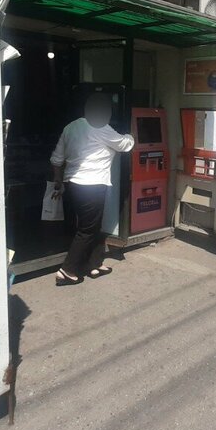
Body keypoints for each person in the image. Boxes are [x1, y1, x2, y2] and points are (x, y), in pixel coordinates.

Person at [50, 93, 134, 286]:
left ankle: (94, 265)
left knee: (93, 225)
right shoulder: (103, 129)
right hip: (92, 186)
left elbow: (56, 159)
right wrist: (131, 135)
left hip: (73, 185)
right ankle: (67, 270)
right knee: (87, 230)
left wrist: (58, 180)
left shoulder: (70, 127)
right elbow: (125, 145)